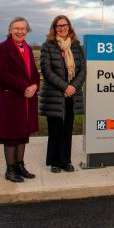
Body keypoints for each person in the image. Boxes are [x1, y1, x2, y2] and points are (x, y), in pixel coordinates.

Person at [0, 17, 40, 183]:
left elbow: (34, 72)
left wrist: (34, 86)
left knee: (22, 134)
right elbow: (2, 75)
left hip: (26, 99)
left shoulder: (27, 48)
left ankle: (20, 166)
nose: (20, 31)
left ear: (27, 31)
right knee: (11, 135)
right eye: (16, 28)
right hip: (10, 99)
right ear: (10, 29)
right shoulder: (2, 49)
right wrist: (24, 87)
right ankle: (10, 169)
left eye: (23, 29)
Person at [39, 15, 86, 173]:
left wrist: (73, 87)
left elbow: (83, 70)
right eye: (59, 26)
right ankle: (54, 162)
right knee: (55, 129)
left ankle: (65, 161)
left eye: (65, 25)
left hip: (72, 95)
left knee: (68, 129)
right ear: (54, 28)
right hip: (55, 95)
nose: (62, 28)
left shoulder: (76, 46)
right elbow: (46, 70)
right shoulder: (48, 46)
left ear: (69, 27)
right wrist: (65, 86)